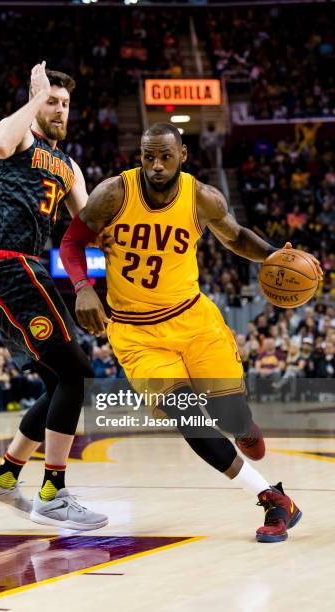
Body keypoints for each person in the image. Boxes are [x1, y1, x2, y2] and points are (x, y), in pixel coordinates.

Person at [61, 122, 323, 542]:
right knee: (191, 420)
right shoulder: (114, 192)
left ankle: (242, 425)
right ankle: (273, 499)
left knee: (230, 417)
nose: (157, 165)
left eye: (165, 156)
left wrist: (274, 254)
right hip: (135, 333)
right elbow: (71, 242)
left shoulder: (202, 197)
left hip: (193, 320)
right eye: (149, 156)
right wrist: (82, 287)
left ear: (182, 156)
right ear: (140, 157)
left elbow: (236, 237)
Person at [0, 61, 107, 530]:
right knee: (78, 373)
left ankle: (5, 478)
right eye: (53, 101)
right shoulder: (21, 137)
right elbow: (0, 142)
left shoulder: (69, 167)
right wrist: (34, 97)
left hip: (26, 273)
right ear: (36, 103)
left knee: (60, 381)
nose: (60, 110)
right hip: (4, 264)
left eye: (66, 104)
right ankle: (53, 491)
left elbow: (89, 224)